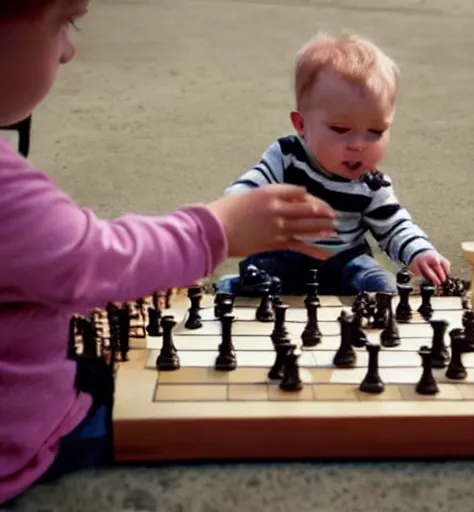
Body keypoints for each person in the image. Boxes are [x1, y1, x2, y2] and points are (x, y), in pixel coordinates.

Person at [0, 1, 338, 505]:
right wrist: (218, 228)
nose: (70, 51)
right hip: (23, 441)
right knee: (205, 426)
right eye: (64, 22)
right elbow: (92, 259)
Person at [216, 32, 451, 297]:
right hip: (285, 256)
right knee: (258, 270)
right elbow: (253, 182)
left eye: (375, 131)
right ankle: (233, 286)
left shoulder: (372, 183)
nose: (359, 144)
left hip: (344, 263)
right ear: (302, 125)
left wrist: (420, 252)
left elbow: (394, 226)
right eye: (341, 129)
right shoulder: (287, 155)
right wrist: (235, 207)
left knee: (380, 283)